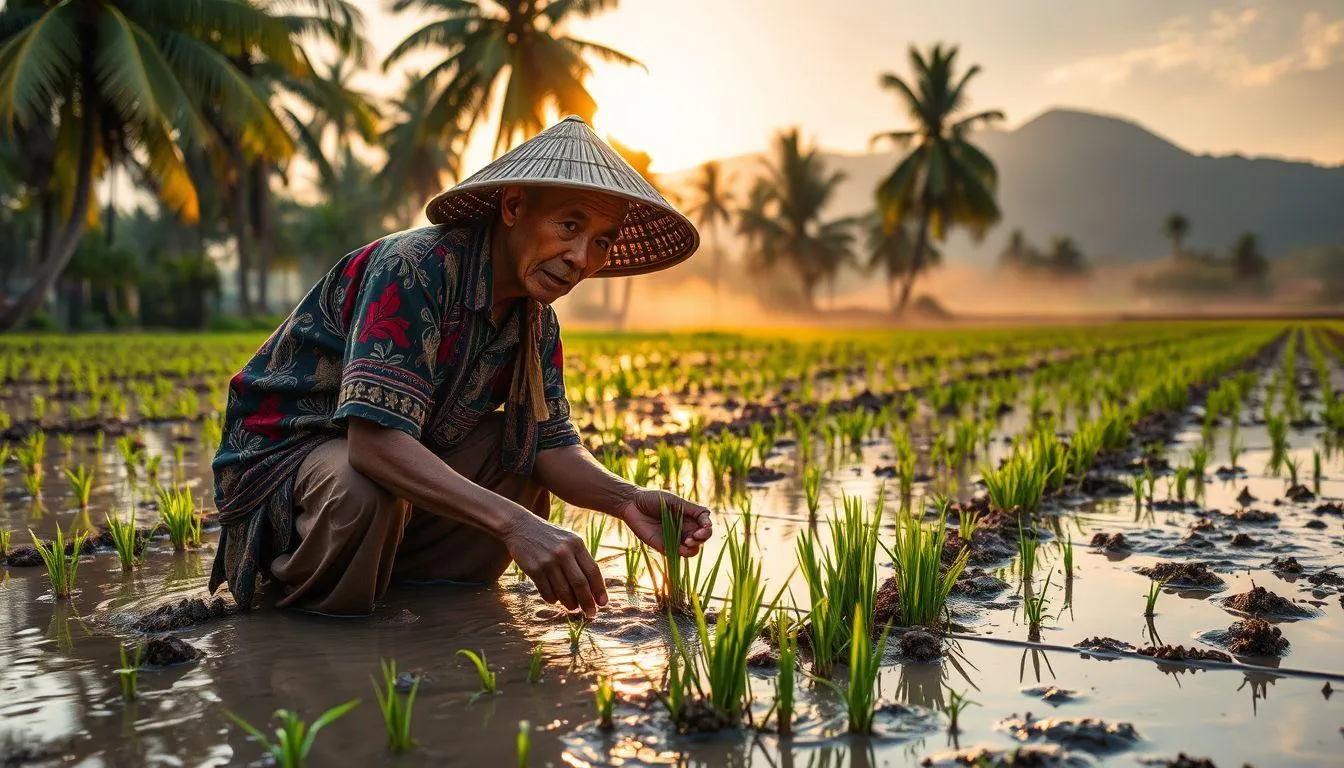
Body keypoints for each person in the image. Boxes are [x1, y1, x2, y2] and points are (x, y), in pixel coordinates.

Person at [208, 116, 709, 618]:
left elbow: (551, 444)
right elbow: (373, 443)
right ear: (513, 207)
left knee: (518, 456)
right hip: (286, 468)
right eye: (570, 226)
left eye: (601, 240)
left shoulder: (536, 322)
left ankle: (427, 608)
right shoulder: (413, 267)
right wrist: (518, 525)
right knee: (362, 490)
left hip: (386, 472)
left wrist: (627, 499)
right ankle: (313, 621)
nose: (581, 257)